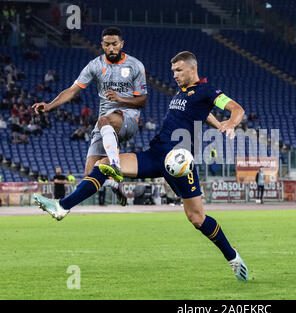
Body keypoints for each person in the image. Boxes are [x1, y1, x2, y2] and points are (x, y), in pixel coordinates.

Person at [33, 51, 249, 281]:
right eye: (173, 71)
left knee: (197, 218)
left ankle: (233, 257)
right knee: (105, 162)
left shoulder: (208, 90)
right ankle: (62, 207)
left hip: (178, 162)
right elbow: (200, 113)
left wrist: (230, 123)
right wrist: (216, 124)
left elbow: (237, 109)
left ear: (192, 69)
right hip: (156, 154)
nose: (174, 75)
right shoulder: (183, 93)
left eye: (178, 70)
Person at [32, 27, 147, 207]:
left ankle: (115, 166)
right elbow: (72, 91)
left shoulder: (135, 65)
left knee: (104, 120)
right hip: (104, 125)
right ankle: (65, 206)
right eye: (107, 44)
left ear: (121, 44)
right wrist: (49, 105)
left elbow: (142, 101)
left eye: (114, 44)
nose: (111, 48)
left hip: (128, 119)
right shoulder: (95, 65)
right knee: (90, 176)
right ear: (102, 45)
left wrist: (119, 99)